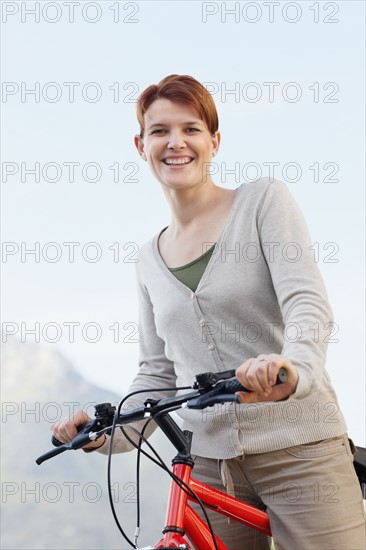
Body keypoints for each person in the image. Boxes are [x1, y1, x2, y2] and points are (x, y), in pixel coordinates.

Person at [52, 74, 366, 549]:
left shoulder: (263, 202)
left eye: (191, 128)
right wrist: (104, 431)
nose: (175, 142)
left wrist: (291, 368)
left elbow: (308, 304)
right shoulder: (147, 260)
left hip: (300, 451)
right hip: (205, 467)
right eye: (159, 131)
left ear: (214, 141)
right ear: (141, 145)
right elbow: (156, 374)